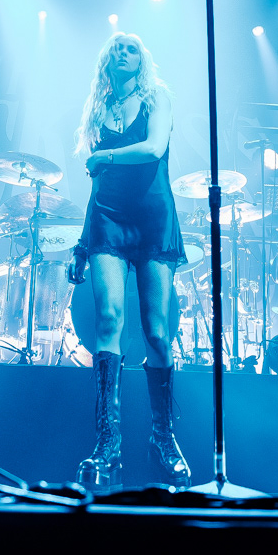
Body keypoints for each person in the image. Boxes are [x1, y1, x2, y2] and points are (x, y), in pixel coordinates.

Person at [68, 32, 189, 488]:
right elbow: (97, 184)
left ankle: (163, 436)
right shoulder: (98, 110)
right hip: (107, 218)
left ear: (142, 60)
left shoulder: (158, 98)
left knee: (157, 330)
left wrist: (105, 155)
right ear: (107, 60)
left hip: (152, 216)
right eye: (116, 48)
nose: (123, 52)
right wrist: (83, 245)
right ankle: (107, 442)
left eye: (131, 47)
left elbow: (154, 148)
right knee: (108, 319)